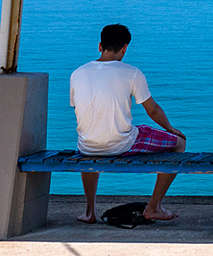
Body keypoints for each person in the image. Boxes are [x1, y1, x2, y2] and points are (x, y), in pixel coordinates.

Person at [69, 23, 187, 224]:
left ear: (100, 46)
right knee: (179, 144)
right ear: (125, 48)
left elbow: (77, 107)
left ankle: (90, 212)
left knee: (91, 148)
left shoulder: (78, 73)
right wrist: (172, 129)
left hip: (86, 145)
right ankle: (154, 207)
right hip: (122, 143)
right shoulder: (131, 73)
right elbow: (153, 110)